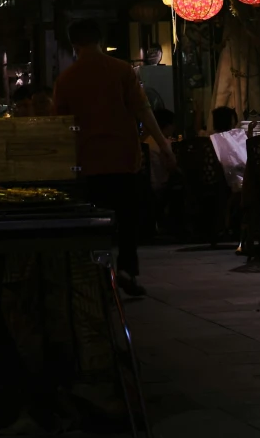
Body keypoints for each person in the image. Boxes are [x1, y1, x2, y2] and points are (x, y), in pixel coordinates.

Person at [52, 18, 172, 296]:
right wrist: (165, 147)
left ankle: (98, 274)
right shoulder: (121, 71)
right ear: (100, 40)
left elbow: (60, 125)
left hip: (87, 161)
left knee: (94, 223)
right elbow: (144, 110)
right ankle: (127, 270)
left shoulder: (66, 79)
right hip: (124, 158)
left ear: (74, 44)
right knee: (127, 219)